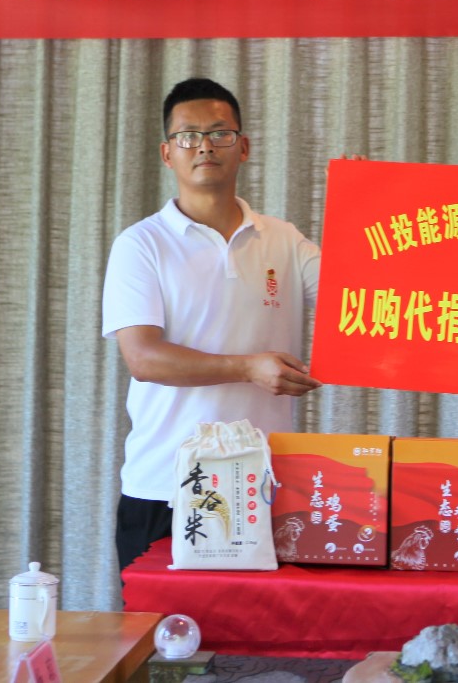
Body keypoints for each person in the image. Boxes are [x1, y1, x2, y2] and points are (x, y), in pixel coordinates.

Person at [103, 77, 322, 571]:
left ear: (243, 147)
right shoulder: (141, 244)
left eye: (220, 133)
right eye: (189, 135)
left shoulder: (283, 240)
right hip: (164, 484)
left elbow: (356, 297)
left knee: (255, 624)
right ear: (168, 153)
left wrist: (364, 207)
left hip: (262, 486)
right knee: (161, 623)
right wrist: (248, 368)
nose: (204, 146)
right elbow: (143, 358)